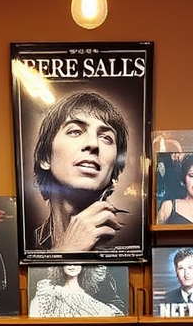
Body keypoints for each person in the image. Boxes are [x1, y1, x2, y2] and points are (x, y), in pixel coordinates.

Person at [31, 91, 133, 253]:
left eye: (106, 138)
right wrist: (66, 249)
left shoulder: (130, 232)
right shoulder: (31, 239)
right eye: (75, 132)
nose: (93, 144)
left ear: (114, 165)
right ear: (45, 157)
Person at [29, 263, 125, 318]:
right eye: (67, 261)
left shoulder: (90, 300)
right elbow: (35, 315)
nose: (72, 265)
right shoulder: (48, 291)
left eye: (77, 261)